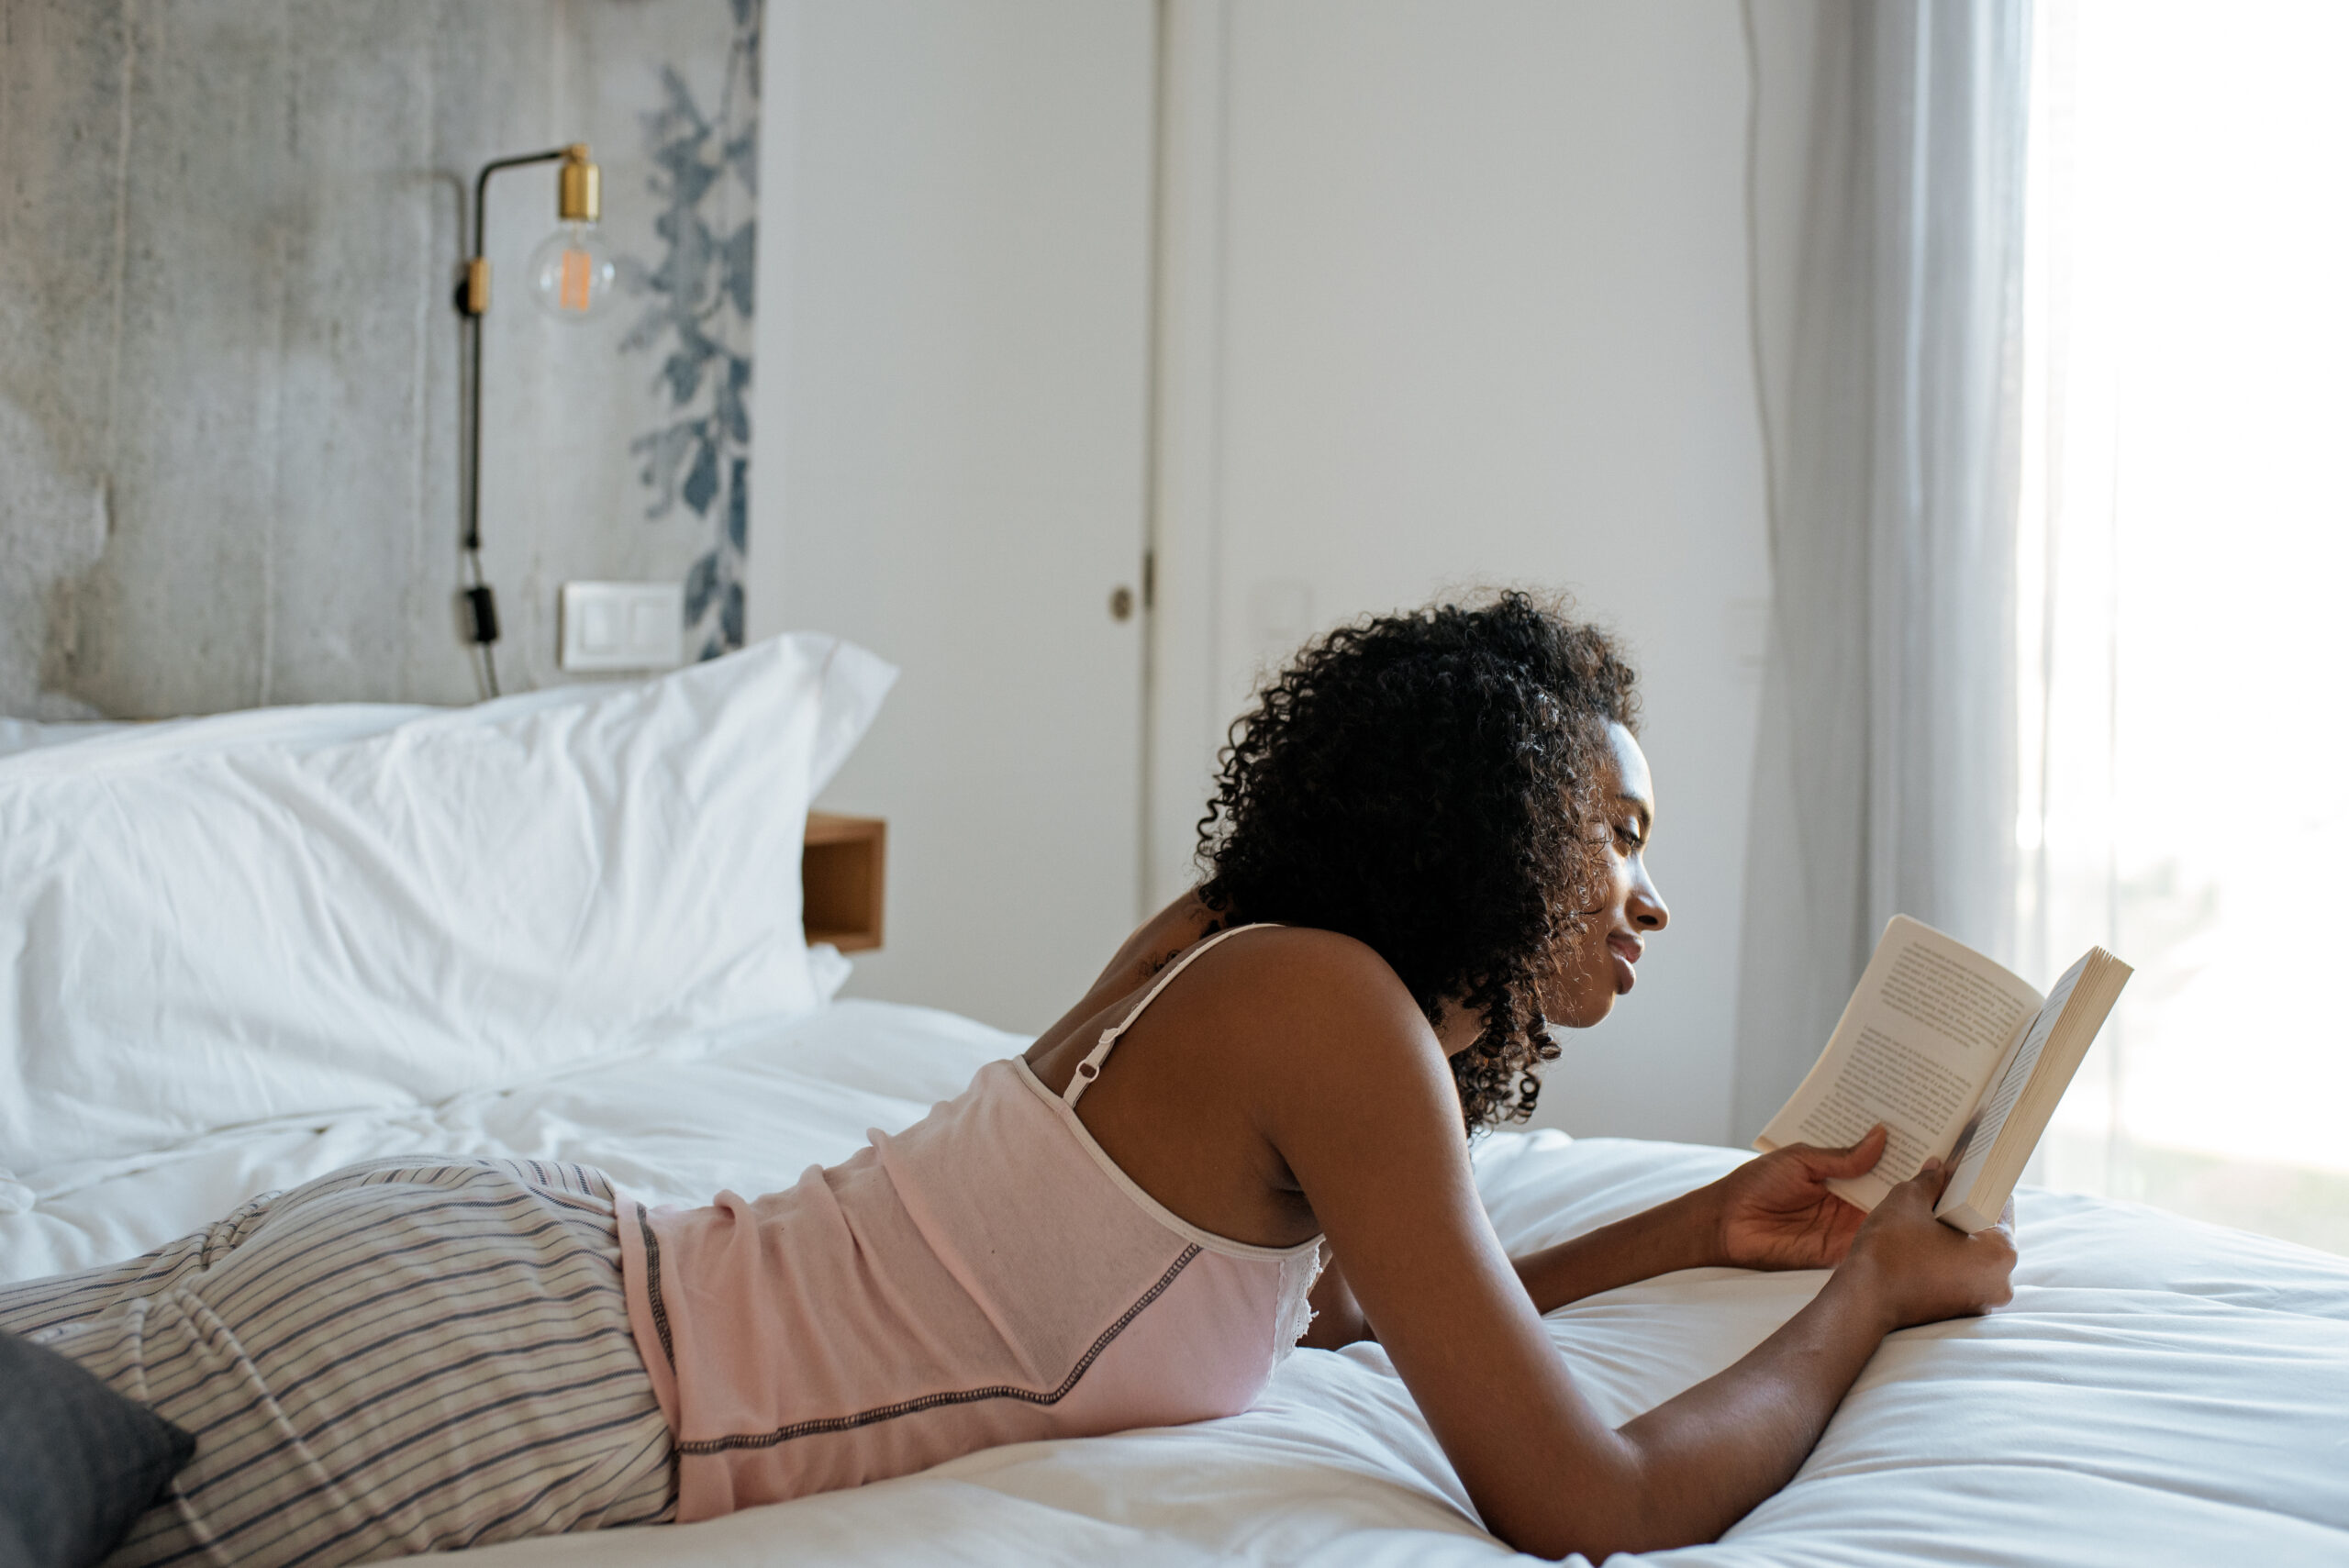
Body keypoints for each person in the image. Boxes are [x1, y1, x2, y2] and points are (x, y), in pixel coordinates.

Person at [0, 592, 2014, 1565]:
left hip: (512, 1269)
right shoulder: (1328, 1016)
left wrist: (1697, 1224)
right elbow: (1584, 1496)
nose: (1645, 902)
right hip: (542, 1364)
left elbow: (1300, 1308)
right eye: (1620, 836)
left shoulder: (1251, 969)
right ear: (1490, 820)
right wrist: (1865, 1294)